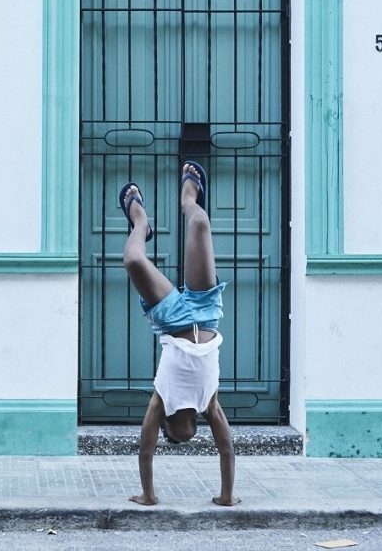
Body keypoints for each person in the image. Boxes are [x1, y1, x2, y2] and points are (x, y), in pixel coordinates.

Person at [119, 161, 240, 508]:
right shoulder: (209, 404)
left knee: (131, 260)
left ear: (166, 428)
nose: (183, 437)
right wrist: (227, 496)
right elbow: (227, 448)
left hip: (172, 318)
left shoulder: (162, 402)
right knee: (200, 222)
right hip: (206, 311)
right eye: (187, 436)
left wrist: (148, 494)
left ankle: (140, 221)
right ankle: (189, 197)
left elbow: (145, 449)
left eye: (172, 437)